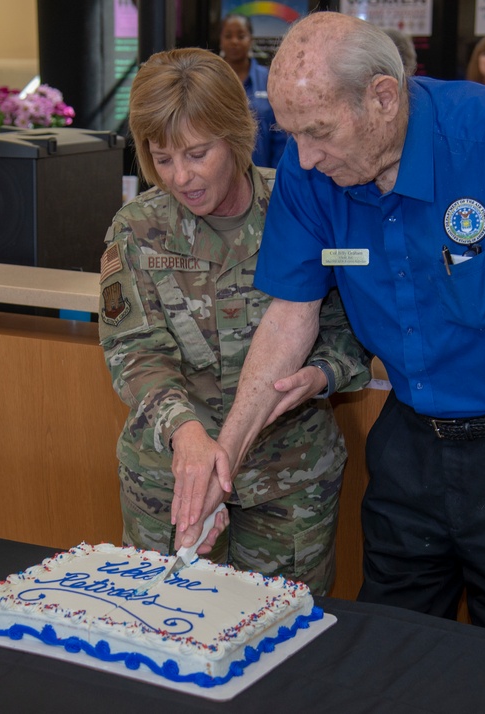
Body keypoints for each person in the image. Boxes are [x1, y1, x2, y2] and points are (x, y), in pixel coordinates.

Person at [176, 13, 485, 646]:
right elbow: (291, 315)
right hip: (412, 446)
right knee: (389, 652)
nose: (306, 159)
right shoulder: (310, 171)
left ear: (382, 96)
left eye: (318, 132)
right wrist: (223, 462)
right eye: (292, 136)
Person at [98, 47, 370, 594]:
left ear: (237, 135)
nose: (182, 177)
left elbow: (350, 329)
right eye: (164, 157)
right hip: (174, 484)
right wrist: (188, 436)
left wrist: (322, 376)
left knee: (283, 640)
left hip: (287, 480)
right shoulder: (138, 230)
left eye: (198, 154)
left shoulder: (304, 209)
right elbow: (135, 352)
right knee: (164, 632)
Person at [219, 14, 287, 169]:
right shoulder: (210, 80)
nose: (234, 41)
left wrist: (276, 176)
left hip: (265, 175)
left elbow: (281, 134)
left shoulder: (268, 80)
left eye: (241, 36)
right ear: (221, 40)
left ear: (250, 39)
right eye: (228, 36)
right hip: (220, 176)